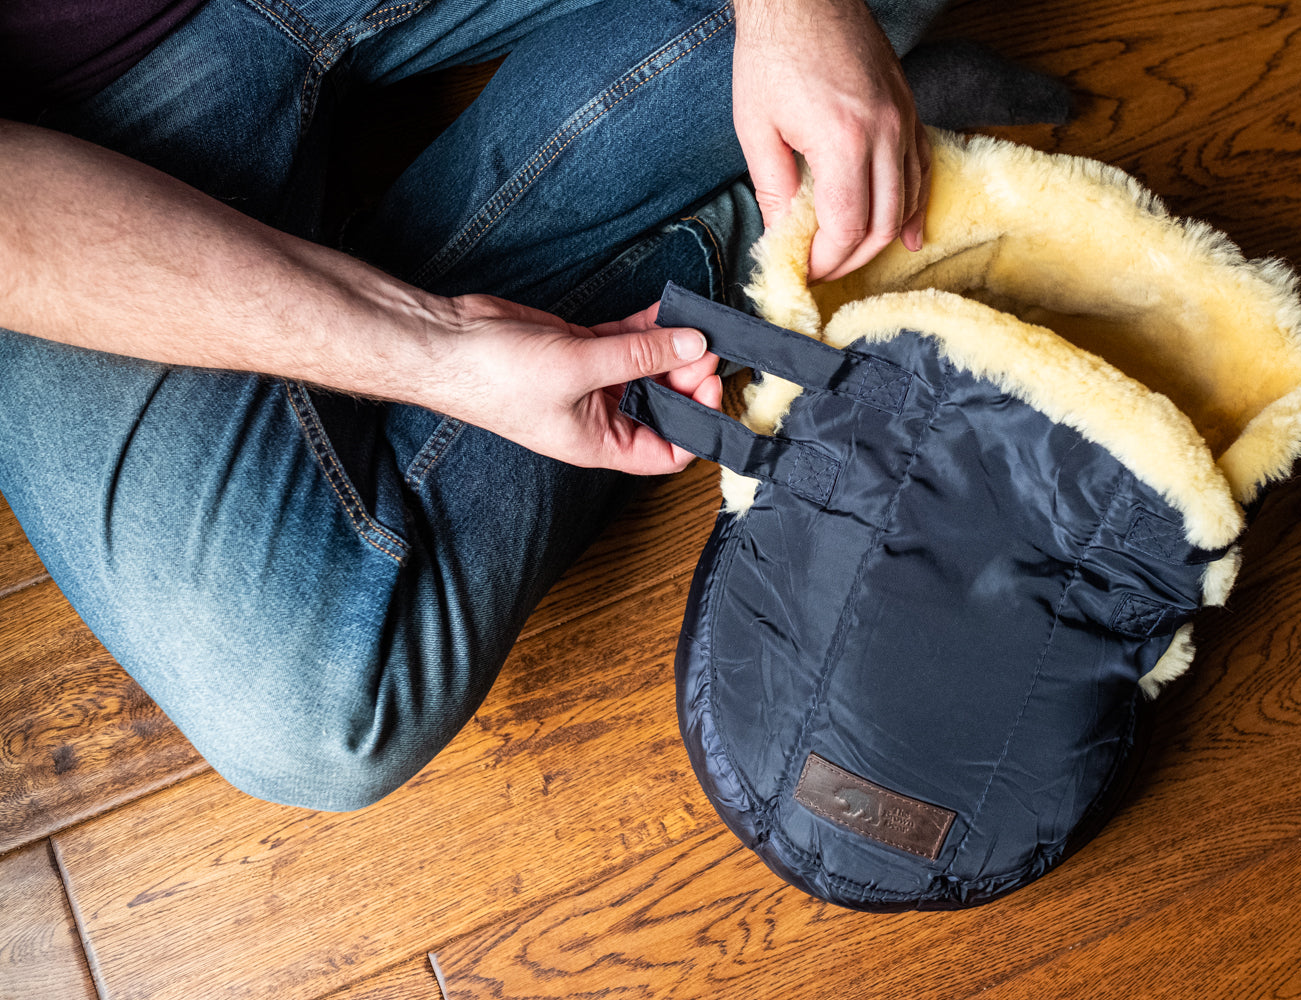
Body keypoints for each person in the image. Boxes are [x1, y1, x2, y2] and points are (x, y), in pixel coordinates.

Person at [0, 0, 950, 810]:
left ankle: (805, 186)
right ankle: (751, 224)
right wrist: (435, 348)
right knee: (317, 709)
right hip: (48, 149)